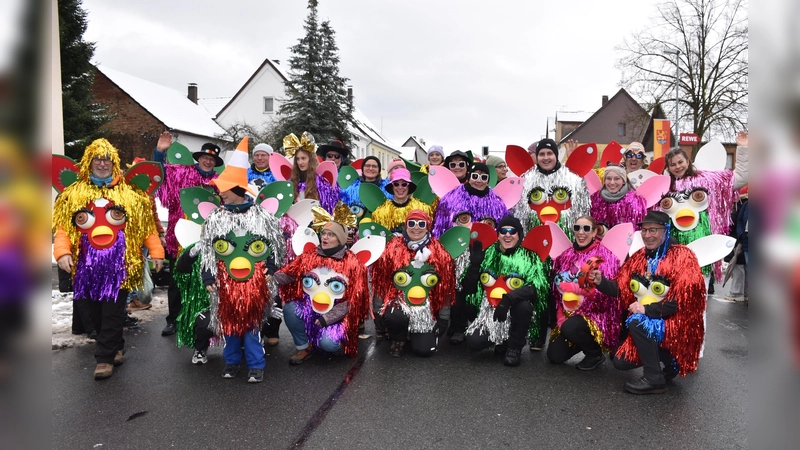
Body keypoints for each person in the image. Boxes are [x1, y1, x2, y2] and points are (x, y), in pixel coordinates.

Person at [53, 139, 164, 380]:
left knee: (112, 311)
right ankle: (116, 345)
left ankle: (104, 358)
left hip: (120, 265)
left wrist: (156, 252)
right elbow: (63, 228)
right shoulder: (73, 194)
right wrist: (62, 252)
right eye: (97, 159)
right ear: (89, 162)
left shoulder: (130, 194)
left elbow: (145, 229)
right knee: (94, 313)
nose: (102, 164)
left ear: (113, 163)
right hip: (86, 267)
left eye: (107, 159)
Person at [590, 211, 706, 394]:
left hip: (676, 324)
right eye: (644, 231)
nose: (647, 235)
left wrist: (646, 309)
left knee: (637, 321)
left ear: (665, 231)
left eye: (653, 230)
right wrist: (600, 282)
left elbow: (684, 300)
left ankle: (654, 379)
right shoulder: (639, 257)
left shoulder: (683, 256)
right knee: (620, 362)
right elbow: (622, 289)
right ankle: (669, 361)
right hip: (650, 321)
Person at [198, 145, 286, 383]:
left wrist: (271, 268)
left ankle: (256, 364)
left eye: (223, 189)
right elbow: (207, 251)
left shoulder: (262, 217)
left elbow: (275, 246)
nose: (220, 193)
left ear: (237, 189)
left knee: (252, 325)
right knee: (230, 325)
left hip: (254, 282)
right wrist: (208, 277)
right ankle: (232, 361)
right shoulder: (216, 218)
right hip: (225, 283)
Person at [153, 131, 222, 337]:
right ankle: (173, 319)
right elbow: (159, 174)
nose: (208, 162)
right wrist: (159, 153)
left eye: (211, 159)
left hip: (210, 238)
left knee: (208, 280)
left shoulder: (220, 182)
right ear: (198, 159)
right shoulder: (182, 173)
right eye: (205, 158)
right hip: (181, 236)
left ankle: (205, 318)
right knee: (177, 278)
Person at [275, 221, 371, 364]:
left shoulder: (353, 263)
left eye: (331, 235)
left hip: (336, 315)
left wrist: (327, 318)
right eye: (324, 233)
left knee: (328, 345)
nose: (325, 237)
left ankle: (342, 340)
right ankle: (303, 347)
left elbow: (353, 301)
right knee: (290, 308)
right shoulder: (309, 256)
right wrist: (270, 275)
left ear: (340, 239)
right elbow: (290, 274)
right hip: (311, 308)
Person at [461, 216, 549, 366]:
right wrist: (474, 266)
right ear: (498, 234)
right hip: (489, 310)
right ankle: (500, 339)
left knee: (524, 306)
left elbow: (537, 288)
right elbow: (468, 288)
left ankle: (514, 347)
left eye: (512, 231)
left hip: (514, 308)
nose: (507, 235)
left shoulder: (530, 256)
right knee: (474, 342)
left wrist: (509, 298)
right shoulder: (488, 252)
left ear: (519, 235)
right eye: (503, 231)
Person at [663, 130, 748, 284]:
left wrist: (743, 148)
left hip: (702, 243)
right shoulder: (665, 187)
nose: (677, 166)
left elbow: (741, 177)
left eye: (680, 162)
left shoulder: (707, 180)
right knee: (674, 290)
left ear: (688, 162)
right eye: (673, 164)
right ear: (668, 168)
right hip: (673, 245)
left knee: (700, 288)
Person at [371, 210, 456, 357]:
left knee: (423, 351)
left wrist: (443, 317)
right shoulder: (392, 248)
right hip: (399, 302)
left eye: (421, 224)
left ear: (428, 226)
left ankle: (415, 334)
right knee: (394, 316)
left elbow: (445, 288)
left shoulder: (438, 251)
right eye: (412, 223)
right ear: (406, 226)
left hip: (426, 309)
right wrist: (378, 312)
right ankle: (398, 339)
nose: (416, 227)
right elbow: (382, 282)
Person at [547, 216, 622, 370]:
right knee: (555, 356)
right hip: (569, 312)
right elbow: (557, 289)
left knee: (571, 327)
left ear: (595, 232)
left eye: (586, 228)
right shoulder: (566, 255)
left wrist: (585, 293)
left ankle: (595, 353)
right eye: (577, 228)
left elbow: (607, 296)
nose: (581, 232)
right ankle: (582, 340)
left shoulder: (604, 255)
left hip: (595, 314)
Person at [433, 162, 508, 238]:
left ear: (488, 181)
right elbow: (440, 227)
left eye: (484, 177)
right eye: (475, 176)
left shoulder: (497, 203)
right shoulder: (452, 198)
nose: (479, 181)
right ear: (469, 178)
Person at [285, 132, 340, 213]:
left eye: (303, 158)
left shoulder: (321, 183)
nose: (300, 162)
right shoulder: (291, 182)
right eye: (298, 159)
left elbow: (329, 208)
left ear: (310, 160)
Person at [370, 168, 434, 234]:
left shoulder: (422, 209)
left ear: (409, 186)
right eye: (396, 184)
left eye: (404, 184)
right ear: (392, 187)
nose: (400, 187)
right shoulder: (380, 213)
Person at [590, 165, 648, 229]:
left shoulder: (635, 201)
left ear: (623, 181)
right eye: (609, 178)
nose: (612, 182)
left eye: (617, 178)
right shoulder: (596, 198)